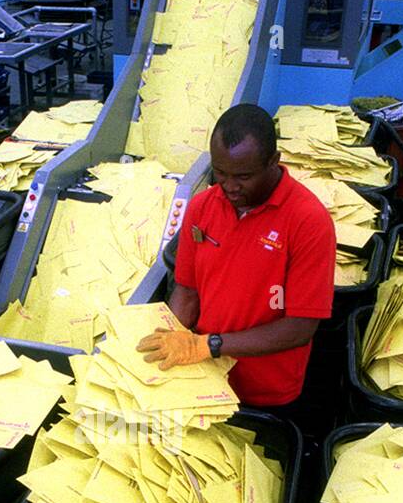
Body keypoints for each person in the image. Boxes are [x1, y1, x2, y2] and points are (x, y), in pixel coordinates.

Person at [136, 103, 335, 428]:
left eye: (243, 176)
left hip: (265, 393)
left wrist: (208, 344)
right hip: (205, 380)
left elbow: (300, 327)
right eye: (221, 172)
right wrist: (172, 340)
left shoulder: (308, 221)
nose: (229, 186)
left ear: (273, 162)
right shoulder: (202, 207)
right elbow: (187, 290)